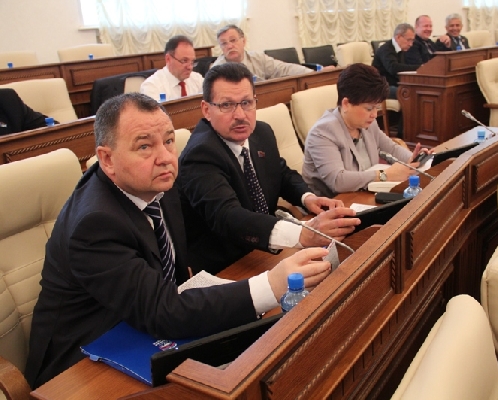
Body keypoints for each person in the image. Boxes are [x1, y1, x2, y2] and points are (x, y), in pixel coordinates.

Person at [24, 92, 332, 389]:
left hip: (146, 326)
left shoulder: (160, 182)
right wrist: (272, 284)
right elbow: (163, 311)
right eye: (145, 146)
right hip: (81, 365)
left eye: (169, 141)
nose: (165, 158)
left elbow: (172, 279)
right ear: (107, 159)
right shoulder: (95, 223)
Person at [177, 63, 360, 275]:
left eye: (246, 103)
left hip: (267, 250)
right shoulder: (200, 154)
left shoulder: (261, 132)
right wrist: (302, 234)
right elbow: (228, 216)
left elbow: (281, 174)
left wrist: (308, 198)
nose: (240, 115)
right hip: (227, 265)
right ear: (206, 110)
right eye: (227, 105)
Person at [302, 64, 430, 198]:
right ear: (346, 104)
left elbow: (391, 148)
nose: (374, 114)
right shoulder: (322, 133)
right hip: (334, 202)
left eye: (377, 107)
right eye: (369, 109)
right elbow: (338, 181)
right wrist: (384, 175)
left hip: (364, 195)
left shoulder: (367, 123)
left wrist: (412, 159)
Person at [211, 25, 316, 81]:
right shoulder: (217, 69)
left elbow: (283, 68)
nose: (229, 46)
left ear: (244, 41)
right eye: (224, 43)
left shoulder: (257, 58)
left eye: (233, 40)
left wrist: (313, 73)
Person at [140, 35, 204, 101]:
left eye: (192, 61)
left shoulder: (197, 79)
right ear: (168, 59)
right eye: (184, 61)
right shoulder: (151, 86)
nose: (190, 67)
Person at [372, 23, 421, 99]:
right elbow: (394, 68)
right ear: (398, 37)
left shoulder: (401, 49)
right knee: (410, 94)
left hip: (394, 84)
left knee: (420, 91)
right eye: (408, 40)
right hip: (382, 87)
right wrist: (420, 68)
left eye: (412, 41)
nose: (411, 44)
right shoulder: (386, 49)